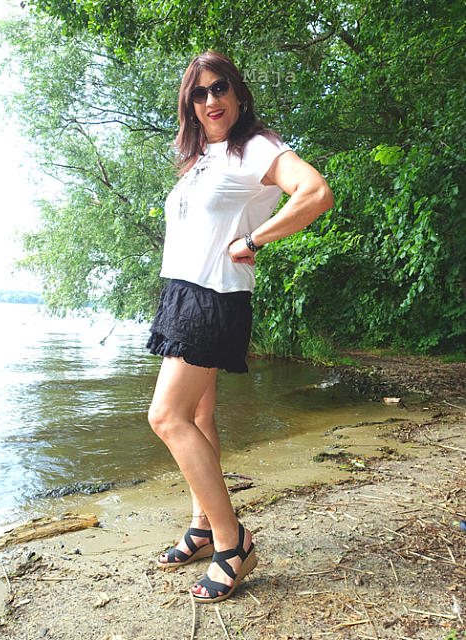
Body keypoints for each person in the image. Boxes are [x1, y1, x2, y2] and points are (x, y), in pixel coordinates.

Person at [147, 50, 333, 604]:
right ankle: (203, 526)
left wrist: (254, 240)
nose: (211, 99)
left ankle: (233, 544)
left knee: (166, 416)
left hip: (214, 298)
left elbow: (316, 193)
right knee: (198, 416)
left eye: (220, 87)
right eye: (199, 92)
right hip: (182, 293)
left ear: (237, 93)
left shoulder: (256, 147)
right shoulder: (201, 157)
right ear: (189, 104)